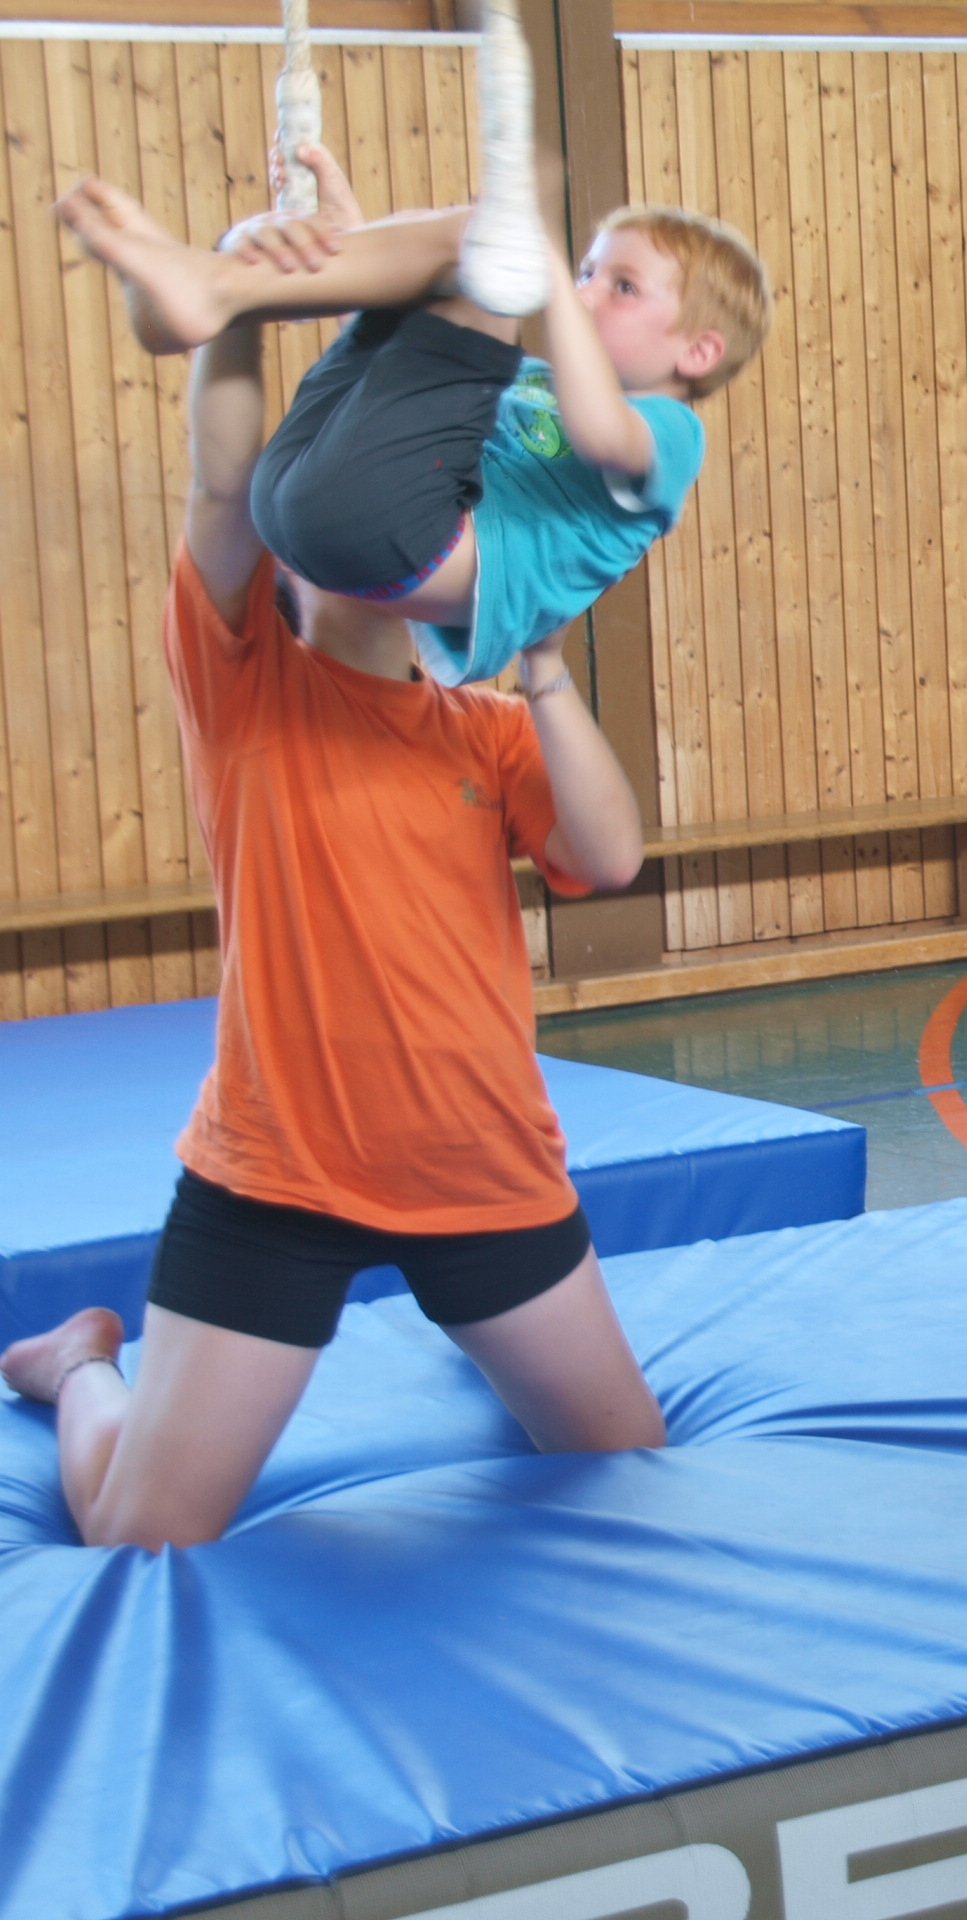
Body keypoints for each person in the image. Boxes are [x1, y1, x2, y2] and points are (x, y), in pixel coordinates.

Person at [0, 153, 665, 1551]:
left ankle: (475, 1340)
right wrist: (235, 305)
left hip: (479, 1170)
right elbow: (223, 487)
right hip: (274, 1179)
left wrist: (546, 661)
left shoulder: (487, 728)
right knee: (137, 1531)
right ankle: (78, 1368)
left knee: (629, 1462)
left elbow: (609, 861)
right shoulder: (242, 682)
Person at [49, 0, 769, 689]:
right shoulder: (530, 379)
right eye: (585, 271)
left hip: (400, 542)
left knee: (480, 248)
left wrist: (538, 253)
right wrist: (351, 234)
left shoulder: (673, 432)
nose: (582, 291)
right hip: (306, 498)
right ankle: (226, 275)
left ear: (697, 353)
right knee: (456, 267)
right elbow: (395, 405)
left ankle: (217, 284)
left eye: (622, 286)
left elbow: (600, 431)